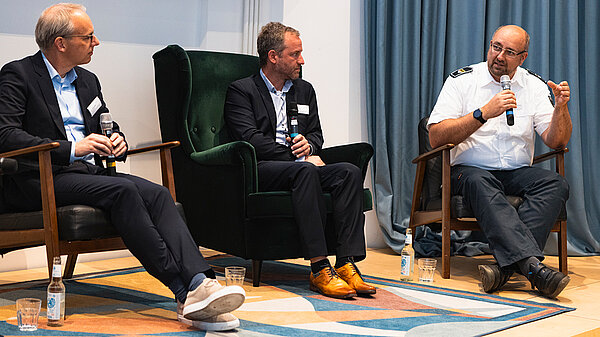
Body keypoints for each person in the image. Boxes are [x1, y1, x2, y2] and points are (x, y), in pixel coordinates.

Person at [0, 3, 245, 331]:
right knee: (125, 189)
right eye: (88, 36)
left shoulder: (87, 80)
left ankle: (201, 283)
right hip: (42, 177)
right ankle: (184, 291)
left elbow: (107, 124)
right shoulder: (19, 75)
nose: (96, 42)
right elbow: (6, 135)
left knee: (157, 193)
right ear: (60, 43)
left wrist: (117, 140)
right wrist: (72, 148)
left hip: (88, 175)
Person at [224, 22, 375, 299]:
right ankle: (319, 268)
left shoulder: (304, 90)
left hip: (299, 165)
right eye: (295, 54)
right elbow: (250, 140)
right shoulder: (242, 91)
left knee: (349, 172)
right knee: (305, 172)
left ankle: (346, 263)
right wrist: (298, 157)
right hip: (261, 168)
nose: (301, 60)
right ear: (273, 56)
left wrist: (311, 145)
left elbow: (316, 134)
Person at [428, 25, 571, 299]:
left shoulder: (534, 85)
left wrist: (560, 109)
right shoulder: (462, 81)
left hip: (516, 172)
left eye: (509, 52)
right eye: (496, 47)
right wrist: (483, 113)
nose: (500, 56)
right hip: (469, 172)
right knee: (479, 179)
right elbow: (436, 136)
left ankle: (509, 268)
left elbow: (557, 141)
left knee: (555, 183)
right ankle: (531, 267)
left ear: (523, 57)